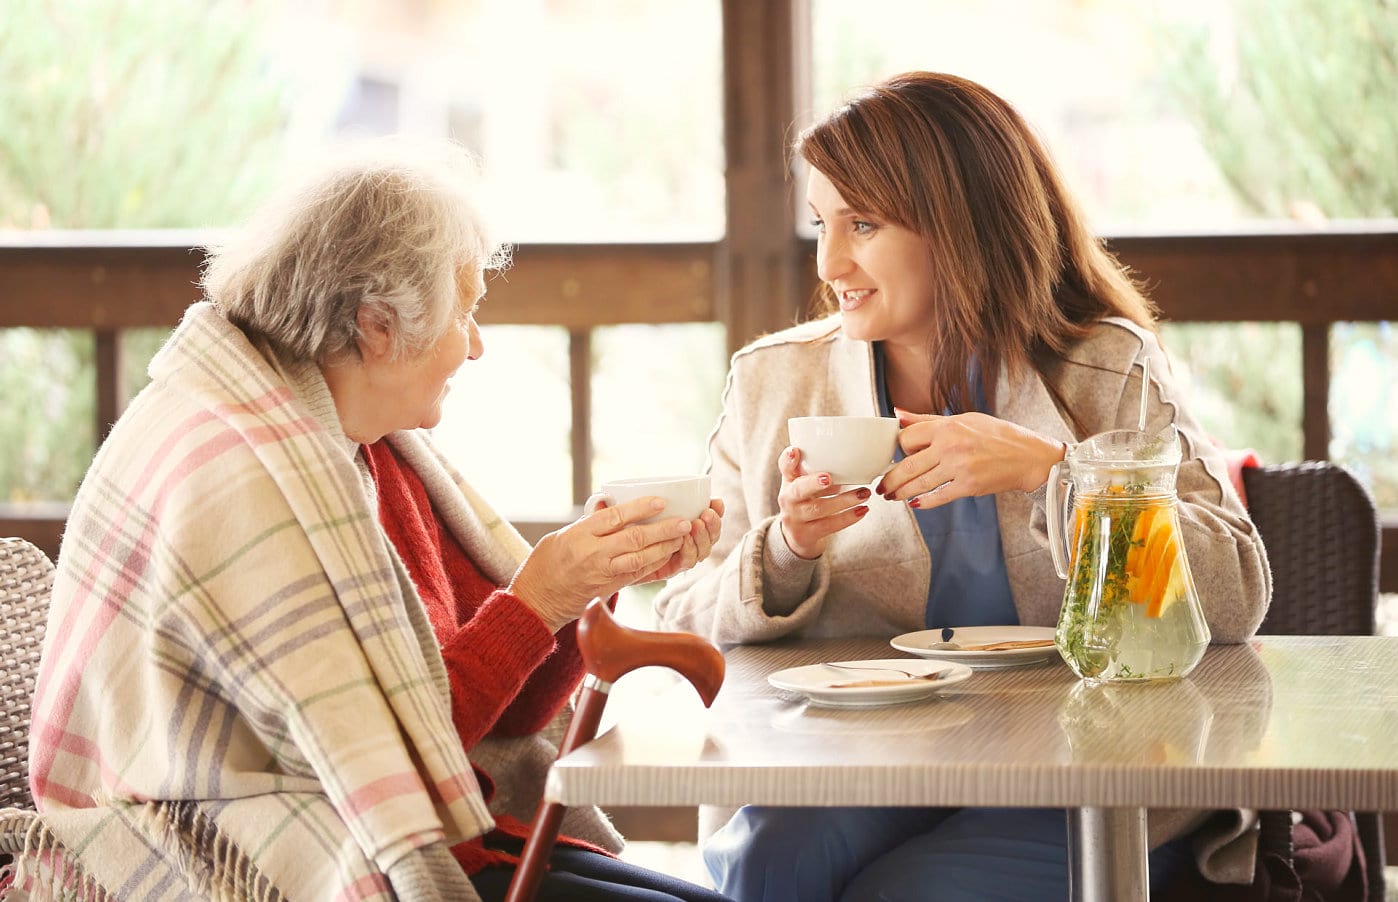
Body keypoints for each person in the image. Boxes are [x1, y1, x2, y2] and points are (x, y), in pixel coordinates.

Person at [21, 137, 729, 902]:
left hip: (413, 828)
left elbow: (505, 717)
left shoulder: (368, 450)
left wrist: (586, 581)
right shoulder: (245, 480)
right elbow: (389, 763)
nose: (478, 346)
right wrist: (539, 598)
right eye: (467, 311)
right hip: (252, 854)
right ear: (377, 326)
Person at [653, 72, 1272, 902]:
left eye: (863, 225)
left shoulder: (1103, 369)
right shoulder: (775, 383)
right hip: (864, 761)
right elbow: (685, 611)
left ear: (961, 228)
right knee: (768, 866)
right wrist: (786, 549)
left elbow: (1236, 595)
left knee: (908, 894)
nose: (831, 262)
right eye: (821, 225)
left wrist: (1058, 475)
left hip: (1078, 769)